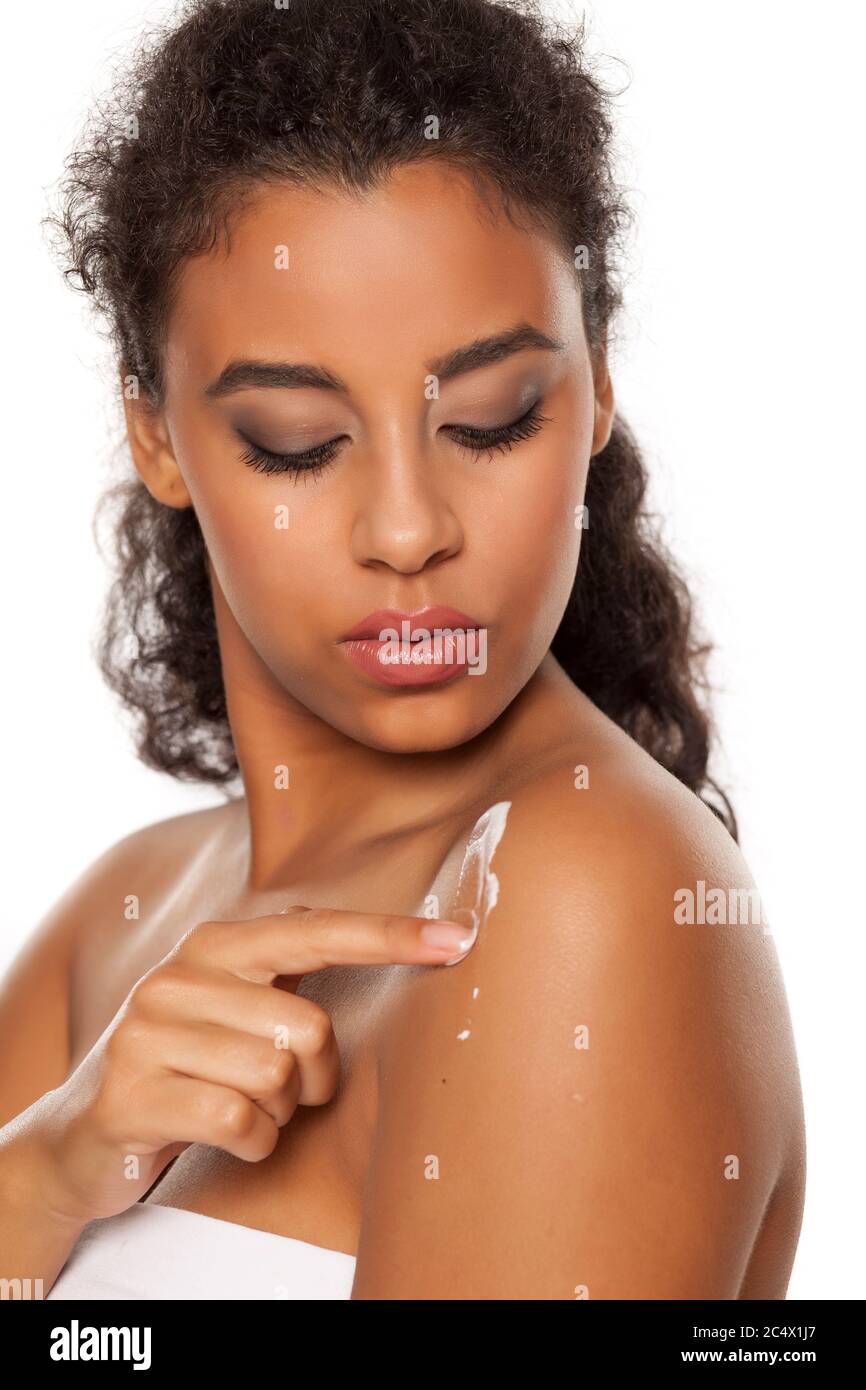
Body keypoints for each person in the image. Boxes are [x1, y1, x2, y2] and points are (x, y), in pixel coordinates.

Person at [0, 0, 805, 1300]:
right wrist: (39, 1175)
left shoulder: (578, 901)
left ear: (596, 387)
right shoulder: (124, 915)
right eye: (296, 442)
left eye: (489, 420)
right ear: (156, 439)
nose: (408, 529)